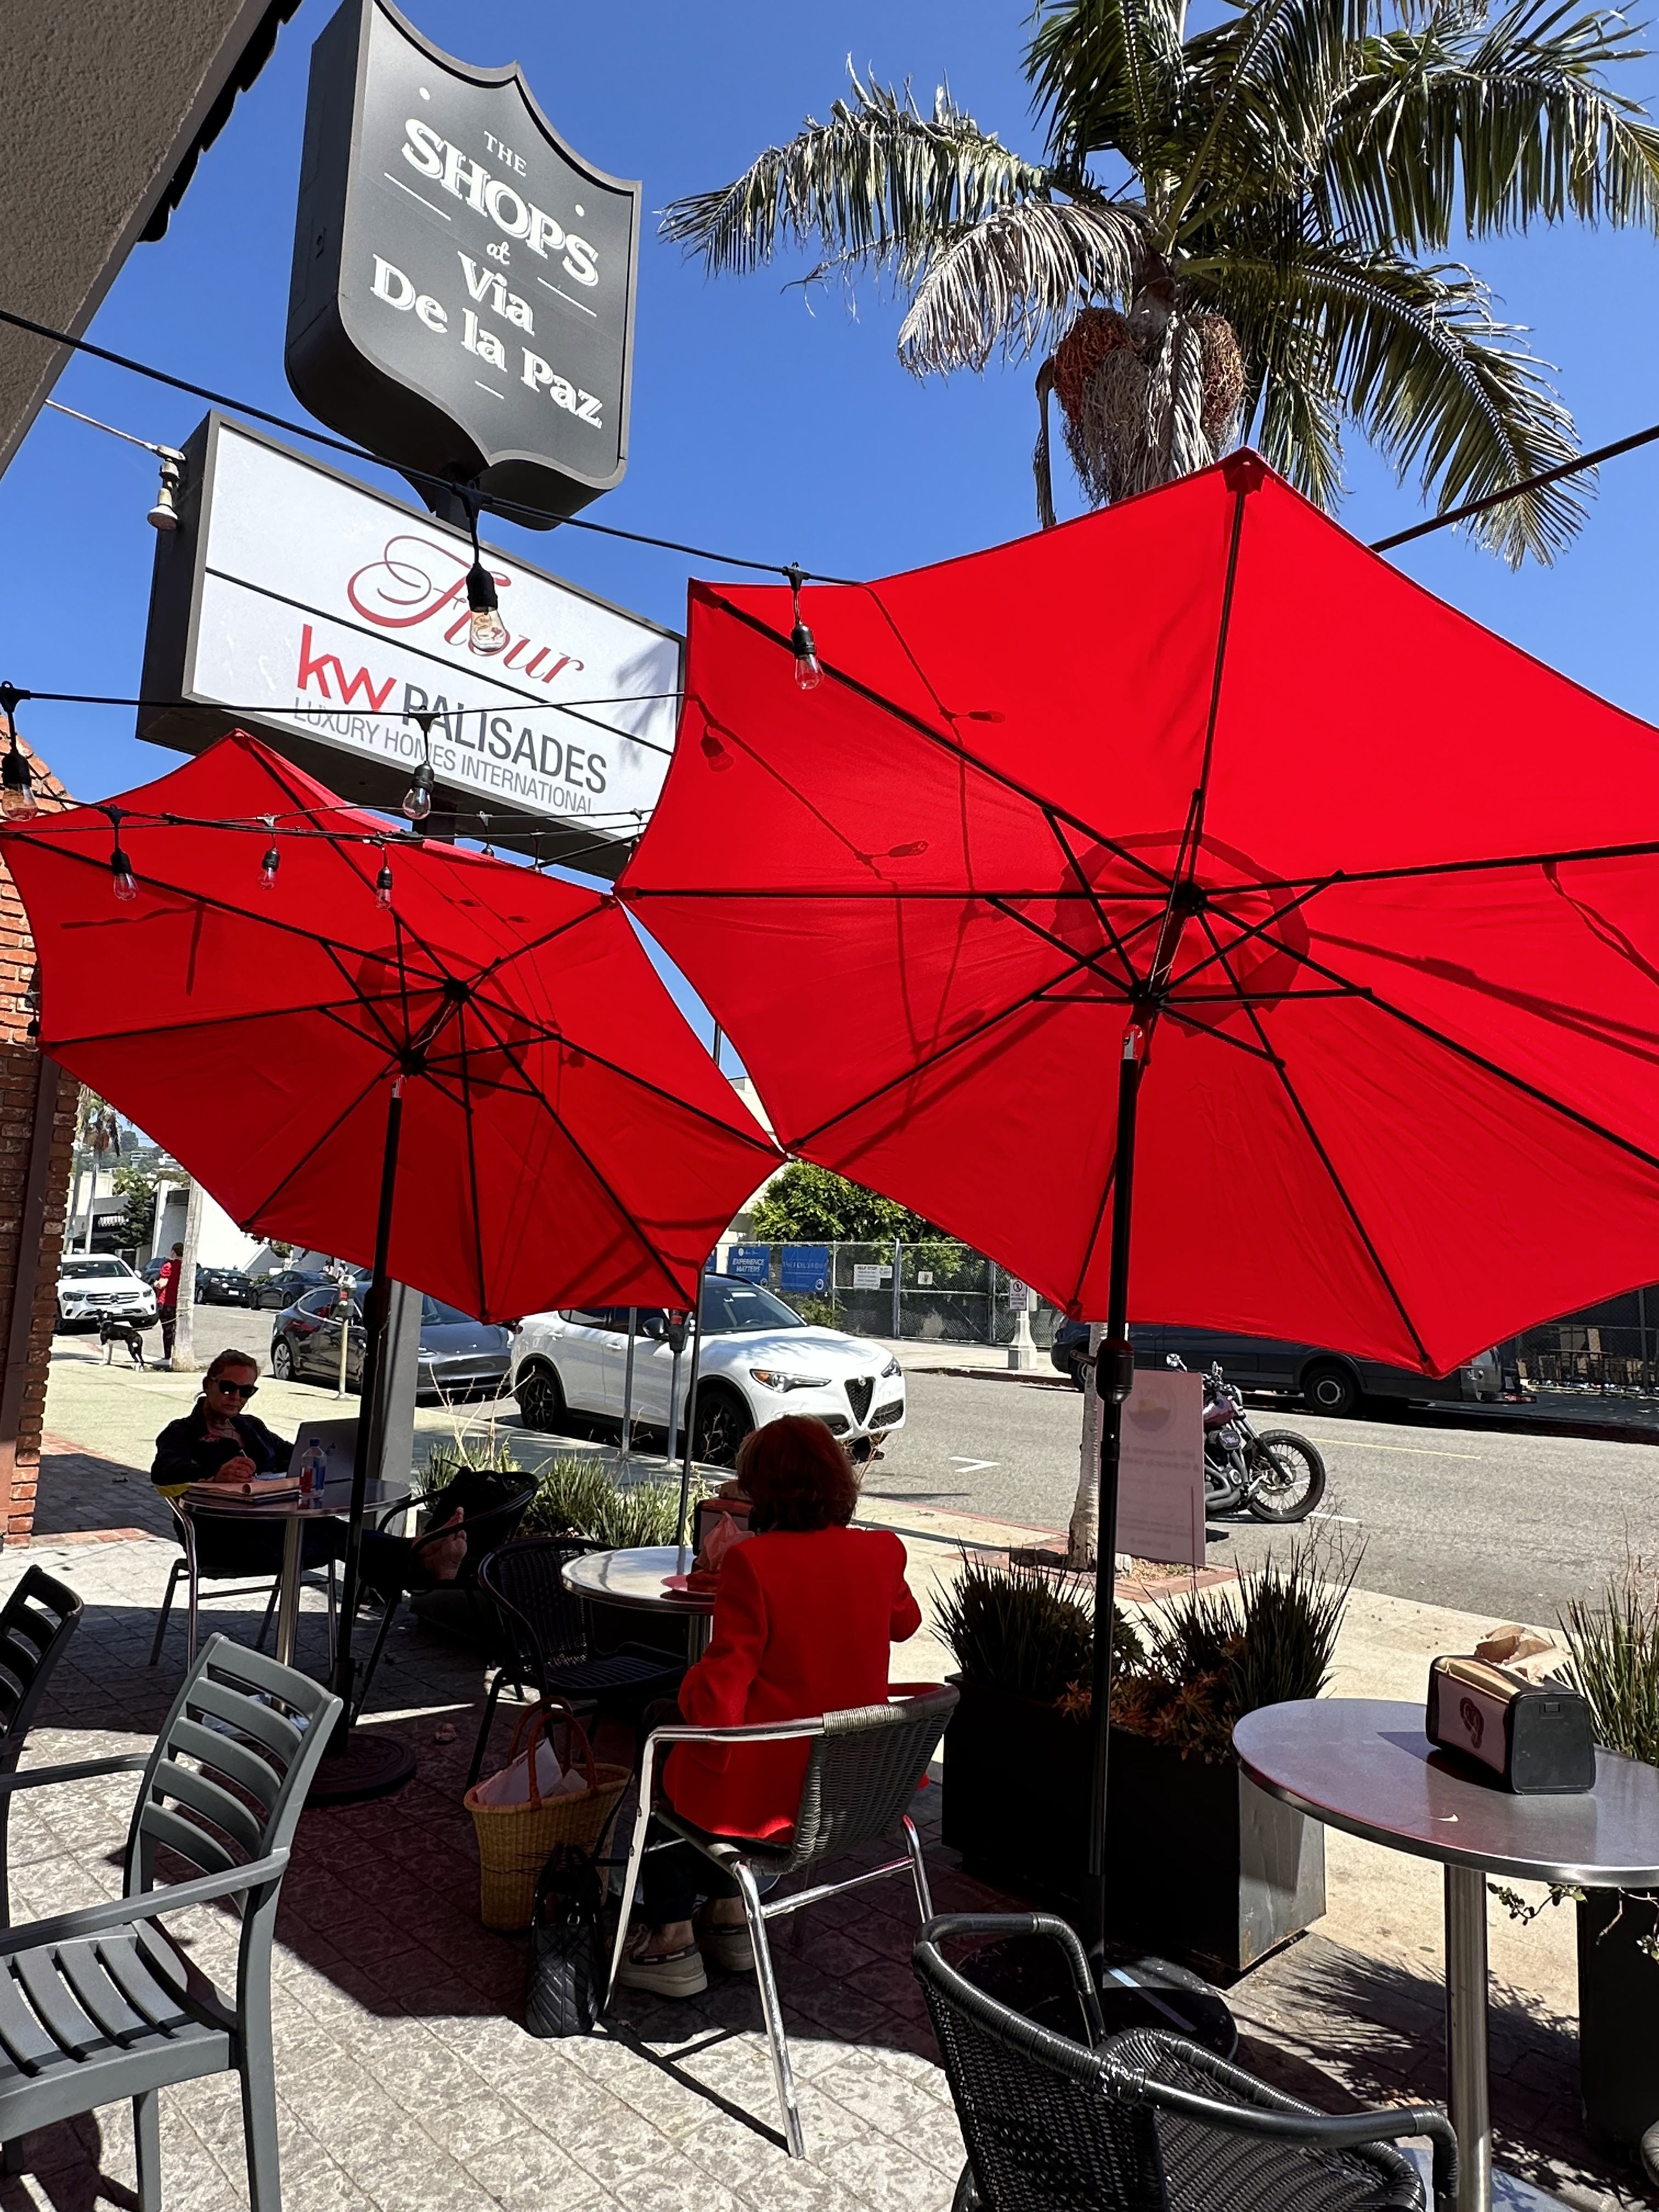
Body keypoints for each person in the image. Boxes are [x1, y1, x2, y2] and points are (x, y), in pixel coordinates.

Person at [617, 1414, 922, 1999]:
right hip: (856, 1791)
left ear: (761, 1492)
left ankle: (672, 1938)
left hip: (770, 1801)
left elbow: (718, 1703)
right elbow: (905, 1624)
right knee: (685, 1741)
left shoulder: (753, 1564)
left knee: (660, 1731)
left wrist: (688, 1686)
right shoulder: (883, 1552)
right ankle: (730, 1915)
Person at [151, 1348, 466, 1600]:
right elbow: (164, 1471)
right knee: (329, 1532)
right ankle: (417, 1558)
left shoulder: (251, 1427)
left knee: (326, 1530)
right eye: (228, 1387)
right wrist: (213, 1475)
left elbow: (294, 1455)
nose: (236, 1397)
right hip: (220, 1540)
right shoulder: (182, 1433)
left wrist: (327, 1457)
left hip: (276, 1528)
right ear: (208, 1385)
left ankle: (418, 1562)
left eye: (246, 1391)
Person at [155, 1242, 183, 1365]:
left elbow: (162, 1284)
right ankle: (177, 1353)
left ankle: (168, 1356)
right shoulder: (186, 1267)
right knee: (177, 1330)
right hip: (180, 1302)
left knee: (168, 1330)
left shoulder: (169, 1266)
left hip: (166, 1302)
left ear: (173, 1252)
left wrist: (155, 1284)